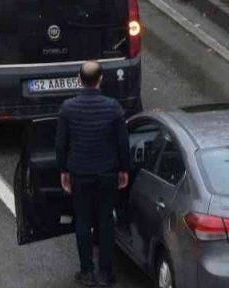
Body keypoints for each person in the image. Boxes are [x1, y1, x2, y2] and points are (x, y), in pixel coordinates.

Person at [55, 61, 131, 287]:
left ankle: (86, 271)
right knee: (105, 222)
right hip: (107, 173)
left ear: (79, 79)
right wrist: (124, 169)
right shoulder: (113, 108)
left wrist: (63, 170)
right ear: (100, 79)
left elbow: (61, 143)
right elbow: (122, 143)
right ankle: (106, 273)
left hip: (79, 173)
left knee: (83, 221)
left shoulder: (68, 108)